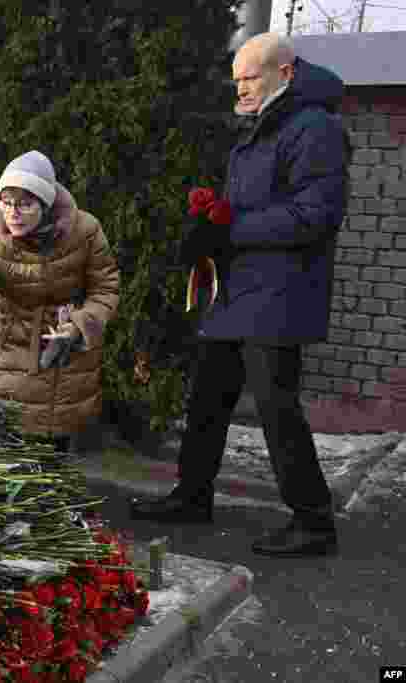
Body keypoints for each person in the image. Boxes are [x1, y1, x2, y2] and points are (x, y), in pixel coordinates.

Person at [130, 33, 349, 558]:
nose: (241, 88)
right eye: (237, 79)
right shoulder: (261, 129)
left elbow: (316, 216)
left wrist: (232, 226)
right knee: (208, 399)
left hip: (281, 295)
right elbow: (243, 210)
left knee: (277, 409)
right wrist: (209, 228)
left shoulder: (314, 129)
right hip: (238, 291)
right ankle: (192, 495)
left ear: (286, 74)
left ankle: (314, 521)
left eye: (251, 77)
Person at [0, 151, 120, 451]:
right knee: (12, 443)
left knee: (54, 449)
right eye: (7, 202)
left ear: (46, 204)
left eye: (26, 204)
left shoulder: (84, 231)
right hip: (15, 352)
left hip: (65, 354)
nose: (14, 213)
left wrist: (79, 326)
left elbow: (106, 288)